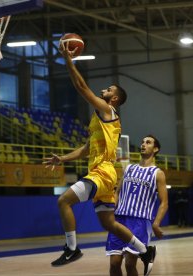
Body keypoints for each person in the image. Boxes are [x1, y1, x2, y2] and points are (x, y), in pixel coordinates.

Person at [43, 40, 156, 275]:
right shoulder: (99, 120)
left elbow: (82, 88)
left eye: (108, 90)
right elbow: (85, 149)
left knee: (63, 201)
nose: (104, 90)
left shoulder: (108, 110)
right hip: (105, 175)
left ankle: (72, 248)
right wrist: (62, 159)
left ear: (113, 99)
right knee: (109, 224)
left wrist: (69, 61)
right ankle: (144, 250)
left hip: (102, 172)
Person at [107, 135, 168, 276]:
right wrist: (111, 211)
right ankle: (148, 252)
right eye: (142, 142)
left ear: (156, 148)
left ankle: (147, 253)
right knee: (114, 263)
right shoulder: (128, 168)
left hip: (140, 221)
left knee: (129, 263)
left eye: (148, 142)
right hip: (119, 219)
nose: (143, 144)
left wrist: (156, 223)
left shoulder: (158, 174)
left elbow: (164, 202)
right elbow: (117, 192)